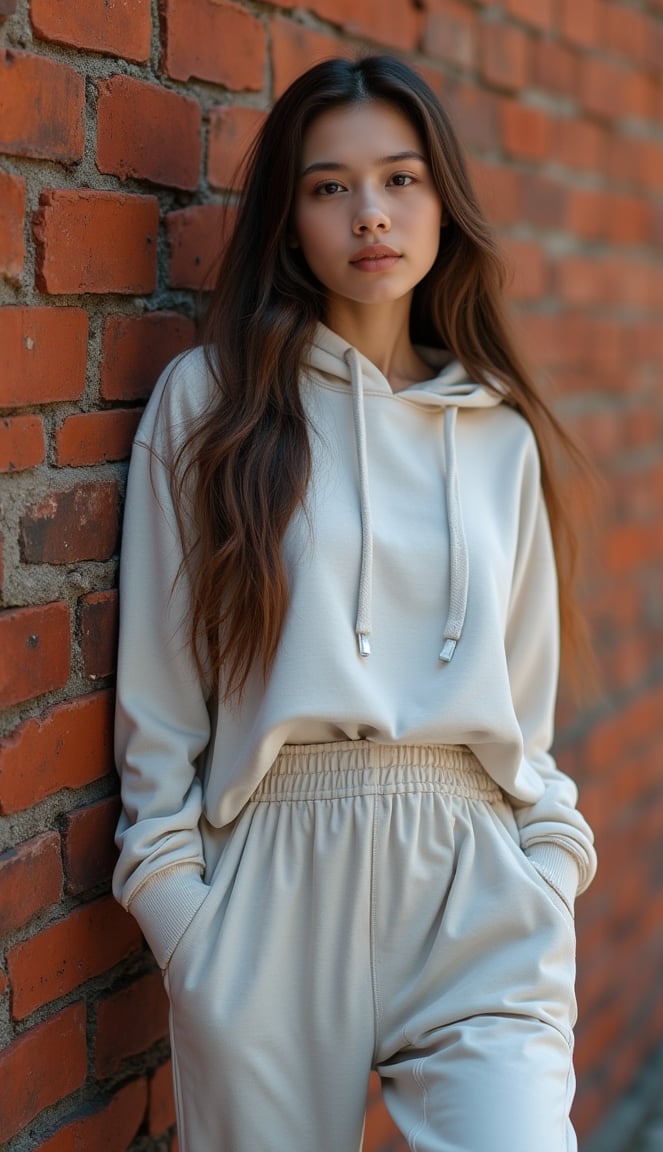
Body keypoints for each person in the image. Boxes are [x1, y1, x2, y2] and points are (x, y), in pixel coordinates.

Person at [113, 55, 597, 1152]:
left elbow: (528, 719)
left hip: (475, 882)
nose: (369, 214)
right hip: (272, 895)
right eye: (330, 187)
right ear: (291, 222)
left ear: (443, 202)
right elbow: (159, 704)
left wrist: (550, 867)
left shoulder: (499, 433)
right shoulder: (213, 404)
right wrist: (184, 920)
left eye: (400, 179)